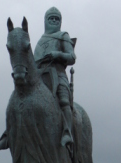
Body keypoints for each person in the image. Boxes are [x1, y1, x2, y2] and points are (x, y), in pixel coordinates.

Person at [34, 7, 76, 149]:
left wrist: (57, 54)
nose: (53, 20)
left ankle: (67, 132)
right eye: (50, 18)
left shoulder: (63, 36)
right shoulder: (40, 42)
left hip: (58, 75)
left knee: (63, 99)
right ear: (45, 21)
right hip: (40, 76)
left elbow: (72, 57)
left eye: (56, 18)